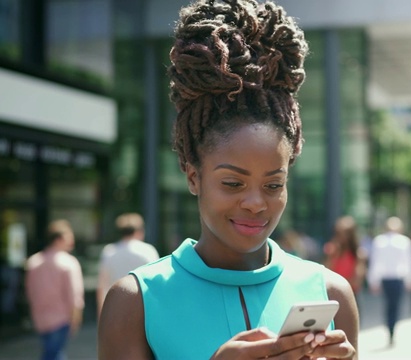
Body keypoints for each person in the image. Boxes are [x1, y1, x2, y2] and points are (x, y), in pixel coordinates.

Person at [97, 1, 358, 359]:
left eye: (273, 184)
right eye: (233, 183)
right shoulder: (135, 302)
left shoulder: (330, 293)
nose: (255, 202)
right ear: (193, 177)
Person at [25, 219, 84, 360]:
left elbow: (30, 293)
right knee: (54, 355)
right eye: (69, 237)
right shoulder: (69, 263)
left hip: (40, 319)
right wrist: (76, 320)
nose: (72, 241)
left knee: (51, 352)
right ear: (58, 239)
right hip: (61, 320)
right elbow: (75, 297)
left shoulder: (33, 262)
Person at [96, 213, 159, 318]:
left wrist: (101, 314)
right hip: (143, 310)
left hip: (115, 309)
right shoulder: (148, 251)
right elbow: (155, 283)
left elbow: (102, 286)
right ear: (139, 231)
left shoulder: (109, 251)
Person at [367, 216, 411, 345]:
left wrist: (373, 281)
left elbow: (375, 262)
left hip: (388, 278)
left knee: (389, 305)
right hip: (396, 278)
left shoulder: (380, 241)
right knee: (394, 305)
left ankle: (390, 327)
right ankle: (391, 327)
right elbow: (410, 262)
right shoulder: (402, 241)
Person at [324, 215, 367, 296]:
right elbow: (326, 275)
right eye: (338, 232)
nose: (341, 236)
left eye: (345, 233)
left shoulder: (359, 254)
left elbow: (357, 281)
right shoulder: (331, 250)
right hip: (331, 294)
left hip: (350, 295)